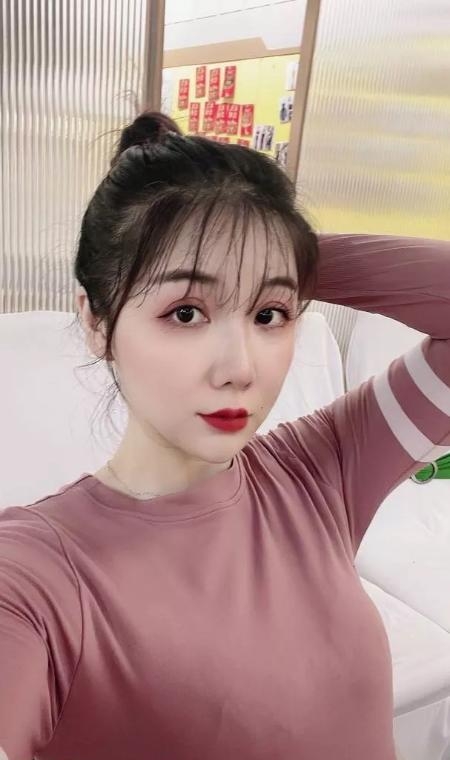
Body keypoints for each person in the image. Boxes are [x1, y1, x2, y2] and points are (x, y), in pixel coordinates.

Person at [0, 111, 448, 760]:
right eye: (186, 312)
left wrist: (276, 249)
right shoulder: (35, 576)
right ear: (98, 322)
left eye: (270, 314)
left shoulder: (318, 474)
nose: (240, 367)